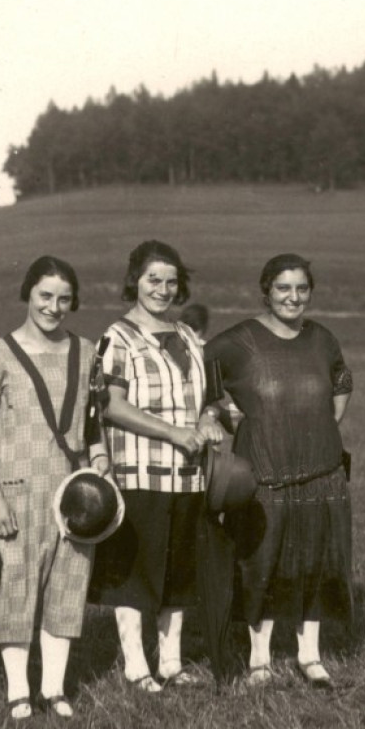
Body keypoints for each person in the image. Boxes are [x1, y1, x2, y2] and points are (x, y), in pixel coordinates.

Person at [207, 254, 353, 688]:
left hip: (322, 469)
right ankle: (259, 660)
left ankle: (310, 656)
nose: (293, 297)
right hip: (264, 470)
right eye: (283, 288)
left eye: (302, 288)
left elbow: (343, 380)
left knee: (317, 560)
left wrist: (326, 422)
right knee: (261, 562)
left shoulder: (322, 338)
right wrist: (218, 415)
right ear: (266, 290)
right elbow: (198, 382)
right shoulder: (236, 341)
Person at [89, 240, 228, 690]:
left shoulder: (189, 336)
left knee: (178, 570)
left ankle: (171, 662)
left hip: (189, 477)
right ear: (135, 282)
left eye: (171, 281)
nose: (162, 290)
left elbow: (212, 400)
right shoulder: (118, 337)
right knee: (136, 572)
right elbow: (110, 406)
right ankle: (135, 666)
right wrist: (172, 433)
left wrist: (208, 420)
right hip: (138, 474)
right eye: (153, 280)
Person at [0, 256, 109, 719]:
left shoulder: (88, 351)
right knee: (16, 584)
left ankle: (54, 689)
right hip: (16, 487)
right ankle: (18, 691)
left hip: (72, 491)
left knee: (67, 585)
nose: (54, 307)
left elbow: (93, 424)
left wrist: (101, 463)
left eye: (64, 299)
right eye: (45, 296)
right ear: (27, 294)